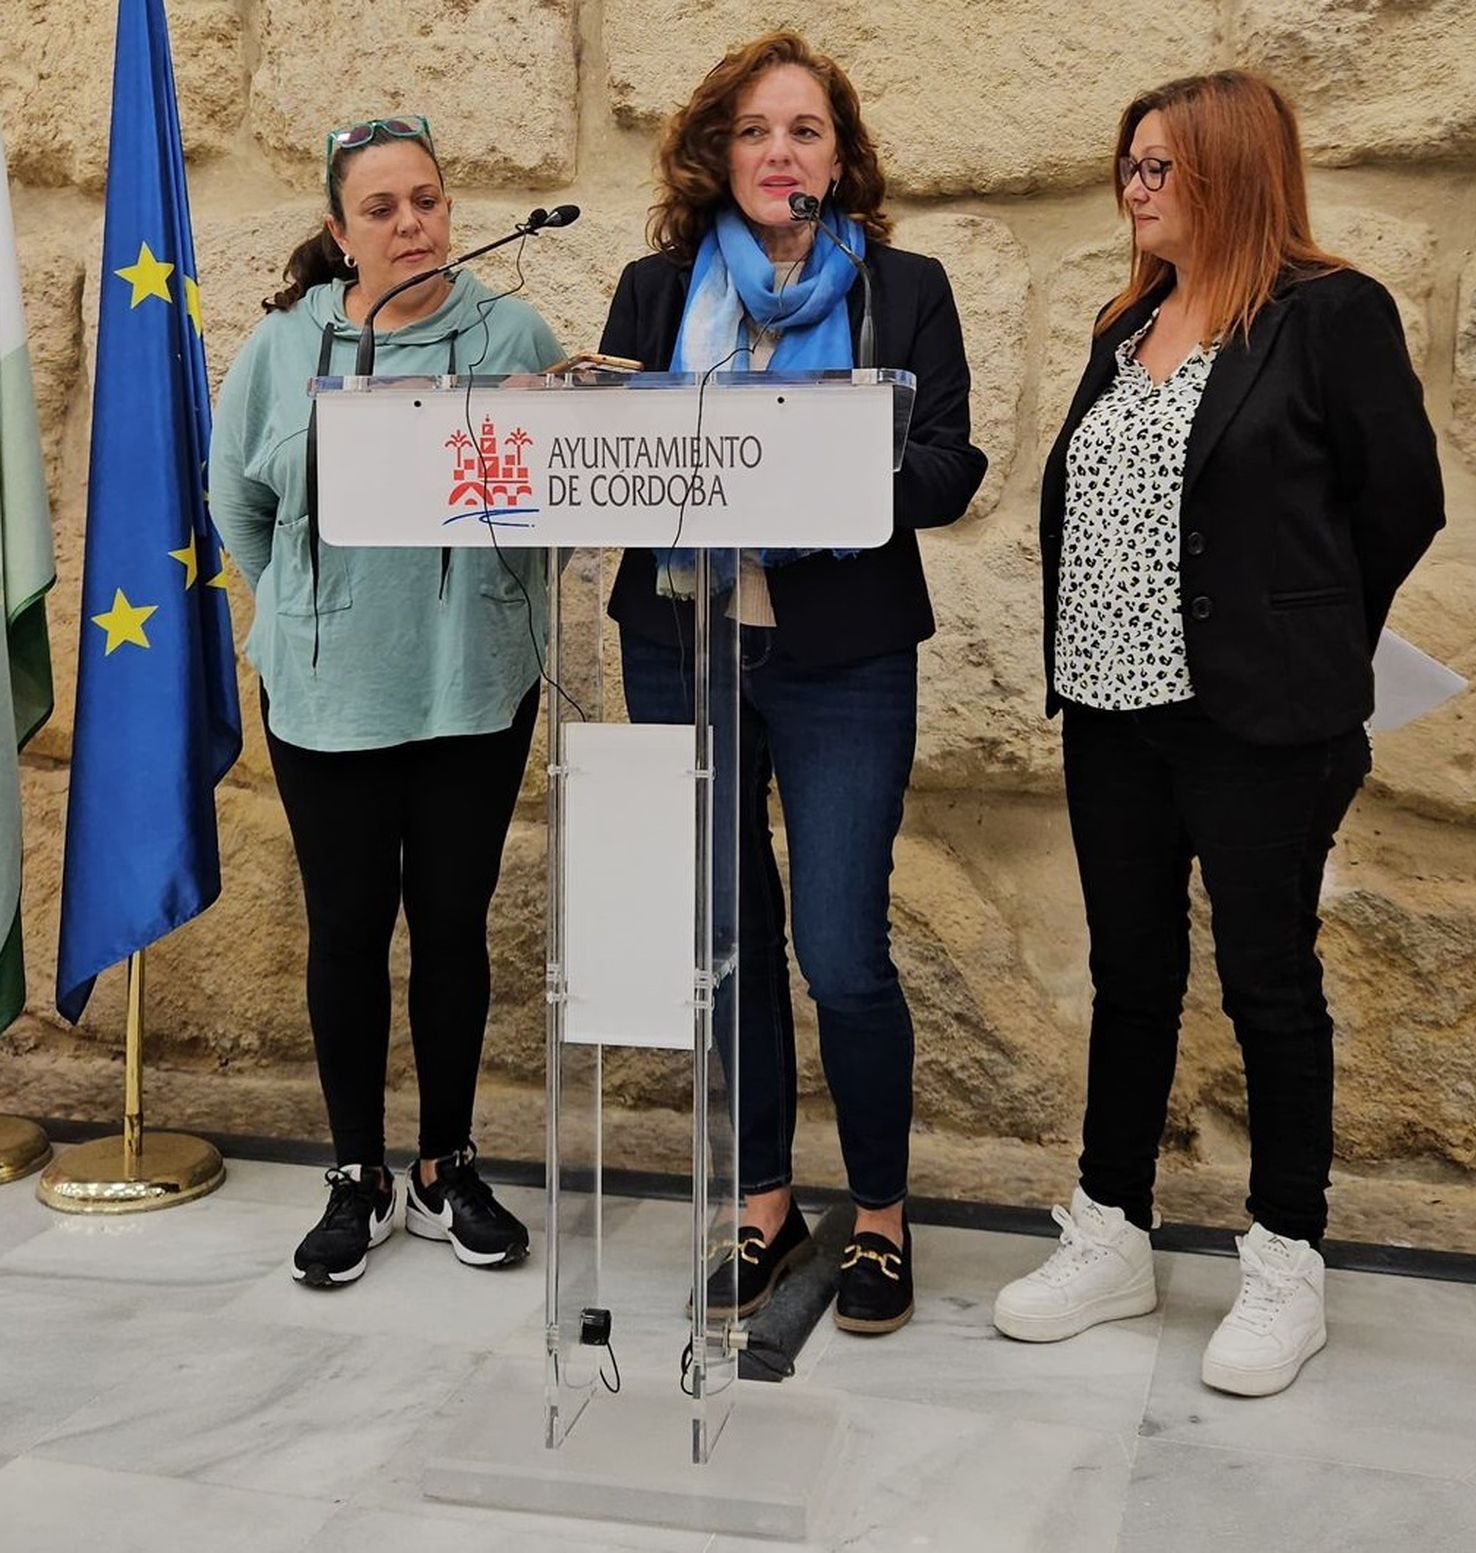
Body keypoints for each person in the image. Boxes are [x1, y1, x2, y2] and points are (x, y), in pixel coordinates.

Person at [993, 71, 1444, 1393]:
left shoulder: (1329, 315)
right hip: (1109, 709)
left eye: (1158, 167)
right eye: (1127, 165)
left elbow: (1399, 504)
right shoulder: (1121, 325)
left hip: (1260, 718)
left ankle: (1287, 1254)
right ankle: (1114, 1230)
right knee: (1130, 976)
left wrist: (1297, 630)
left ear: (1234, 171)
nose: (1133, 189)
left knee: (1269, 982)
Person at [601, 32, 986, 1335]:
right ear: (719, 155)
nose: (781, 152)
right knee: (723, 944)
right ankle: (758, 1205)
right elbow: (614, 468)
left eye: (806, 130)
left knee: (841, 948)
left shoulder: (905, 290)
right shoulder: (656, 292)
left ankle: (877, 1216)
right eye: (757, 131)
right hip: (681, 644)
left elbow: (950, 470)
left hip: (843, 661)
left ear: (842, 156)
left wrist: (834, 443)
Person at [209, 116, 566, 1287]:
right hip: (328, 690)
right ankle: (357, 1172)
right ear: (338, 231)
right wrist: (314, 608)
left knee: (454, 929)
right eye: (382, 209)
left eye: (428, 200)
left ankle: (445, 1164)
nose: (412, 225)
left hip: (471, 683)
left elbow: (553, 505)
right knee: (349, 928)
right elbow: (240, 509)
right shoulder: (281, 346)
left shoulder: (514, 332)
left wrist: (501, 595)